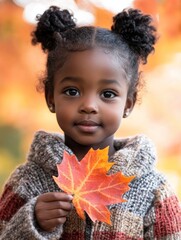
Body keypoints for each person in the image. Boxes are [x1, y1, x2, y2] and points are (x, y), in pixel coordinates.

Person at [0, 5, 181, 240]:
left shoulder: (153, 190)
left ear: (128, 103)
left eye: (107, 94)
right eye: (72, 91)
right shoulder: (27, 181)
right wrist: (32, 223)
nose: (89, 105)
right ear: (50, 97)